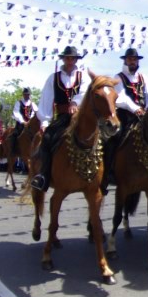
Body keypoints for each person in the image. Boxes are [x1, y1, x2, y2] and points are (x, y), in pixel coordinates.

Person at [31, 45, 86, 192]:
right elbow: (46, 99)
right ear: (63, 59)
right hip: (62, 117)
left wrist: (75, 102)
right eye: (67, 58)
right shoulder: (53, 78)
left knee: (100, 137)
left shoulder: (83, 76)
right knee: (47, 138)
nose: (70, 61)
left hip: (80, 117)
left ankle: (101, 176)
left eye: (72, 58)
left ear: (76, 60)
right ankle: (44, 176)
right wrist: (44, 121)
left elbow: (85, 91)